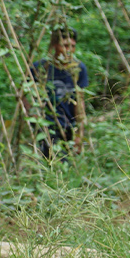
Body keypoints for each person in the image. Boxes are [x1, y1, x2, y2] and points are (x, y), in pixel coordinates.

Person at [30, 27, 89, 159]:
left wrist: (79, 133)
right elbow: (25, 94)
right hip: (47, 125)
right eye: (65, 45)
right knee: (55, 160)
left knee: (66, 161)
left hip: (68, 125)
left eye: (72, 46)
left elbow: (79, 101)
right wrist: (34, 116)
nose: (69, 50)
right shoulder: (41, 67)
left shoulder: (78, 68)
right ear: (55, 45)